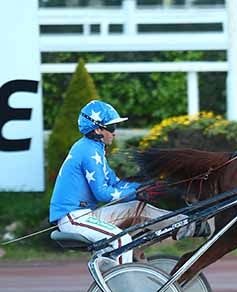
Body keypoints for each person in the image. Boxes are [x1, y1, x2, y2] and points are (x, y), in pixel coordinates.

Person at [49, 100, 209, 266]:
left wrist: (142, 187)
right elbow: (102, 193)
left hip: (85, 215)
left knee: (137, 206)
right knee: (122, 240)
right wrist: (136, 193)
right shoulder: (88, 151)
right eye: (111, 127)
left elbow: (115, 183)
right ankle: (124, 285)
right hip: (74, 219)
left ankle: (186, 224)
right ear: (97, 130)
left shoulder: (94, 149)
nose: (115, 132)